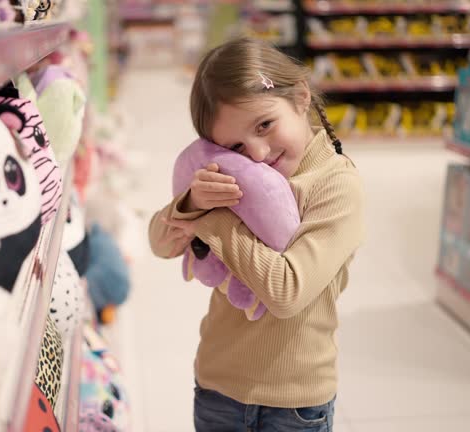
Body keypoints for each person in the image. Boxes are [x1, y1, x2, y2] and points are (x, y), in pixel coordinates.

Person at [147, 37, 365, 432]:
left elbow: (287, 292)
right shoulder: (231, 175)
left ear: (300, 97)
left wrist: (212, 222)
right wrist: (192, 203)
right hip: (217, 387)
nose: (259, 153)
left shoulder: (337, 186)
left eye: (265, 125)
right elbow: (160, 244)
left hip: (294, 405)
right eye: (236, 145)